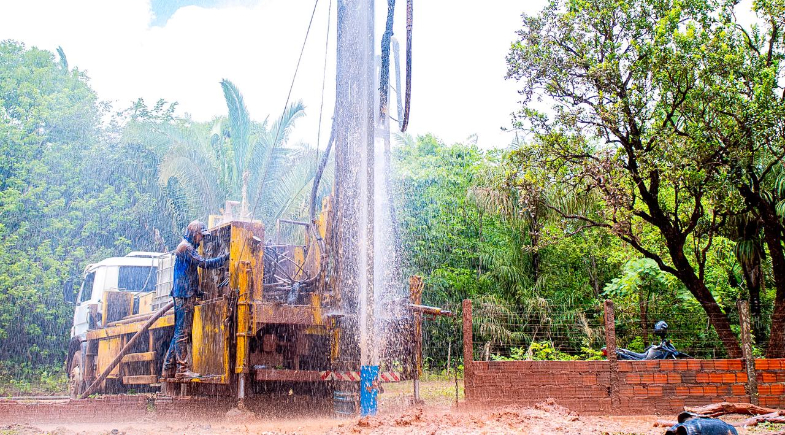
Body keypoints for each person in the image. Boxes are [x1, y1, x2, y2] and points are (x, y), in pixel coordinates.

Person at [162, 220, 229, 379]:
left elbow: (188, 272)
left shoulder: (186, 246)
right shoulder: (186, 247)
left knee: (179, 332)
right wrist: (225, 258)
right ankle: (182, 371)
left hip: (185, 293)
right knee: (182, 333)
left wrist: (197, 291)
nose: (201, 239)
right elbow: (203, 264)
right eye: (200, 235)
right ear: (194, 233)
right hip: (184, 295)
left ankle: (167, 367)